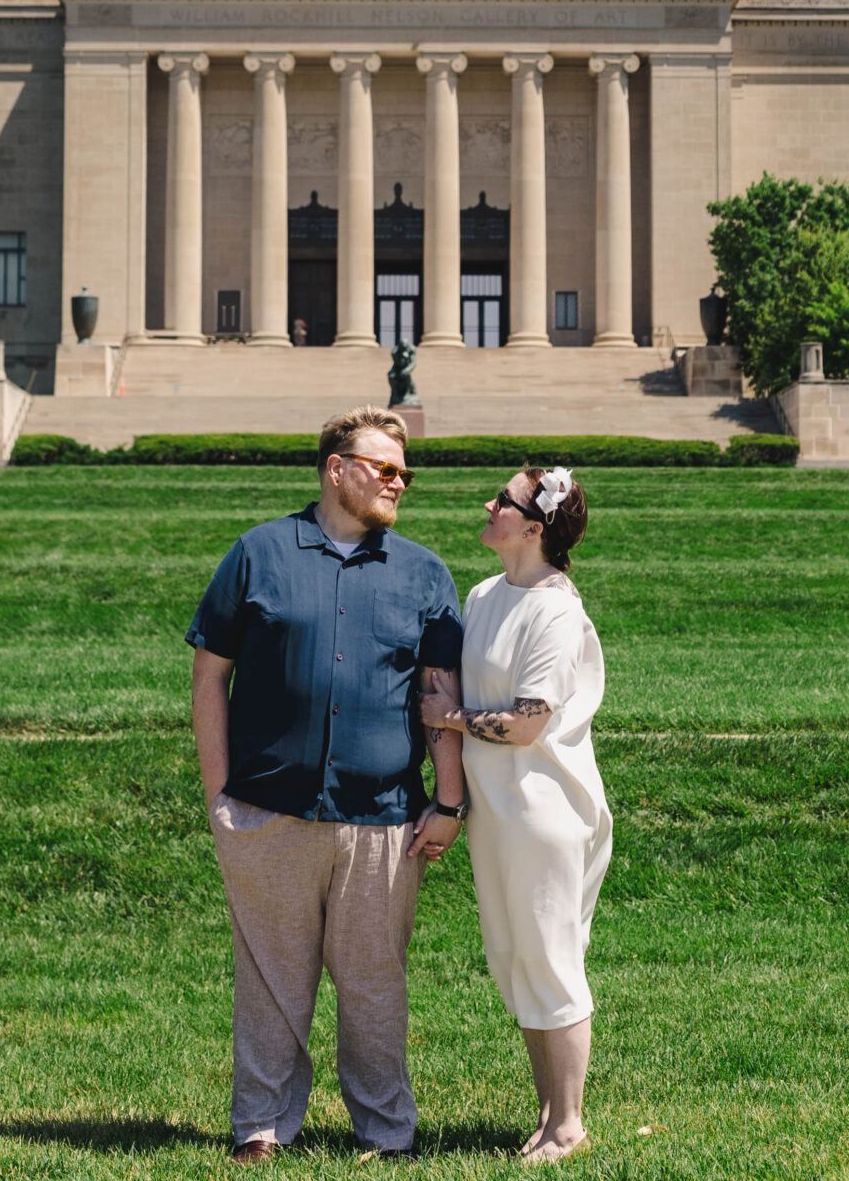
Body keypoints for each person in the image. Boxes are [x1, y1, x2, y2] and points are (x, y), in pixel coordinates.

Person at [187, 408, 467, 1166]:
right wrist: (220, 793)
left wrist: (448, 802)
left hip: (382, 817)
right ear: (337, 469)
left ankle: (385, 1130)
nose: (398, 480)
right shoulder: (258, 552)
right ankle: (261, 1126)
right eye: (384, 468)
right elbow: (210, 675)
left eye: (404, 471)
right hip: (267, 811)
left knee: (375, 984)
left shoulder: (423, 571)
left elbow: (439, 698)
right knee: (271, 979)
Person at [420, 464, 610, 1165]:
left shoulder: (556, 611)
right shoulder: (485, 593)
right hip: (498, 811)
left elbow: (529, 722)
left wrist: (452, 717)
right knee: (514, 961)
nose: (487, 503)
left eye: (502, 499)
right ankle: (546, 1114)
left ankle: (568, 1125)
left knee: (549, 960)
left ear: (533, 528)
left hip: (543, 807)